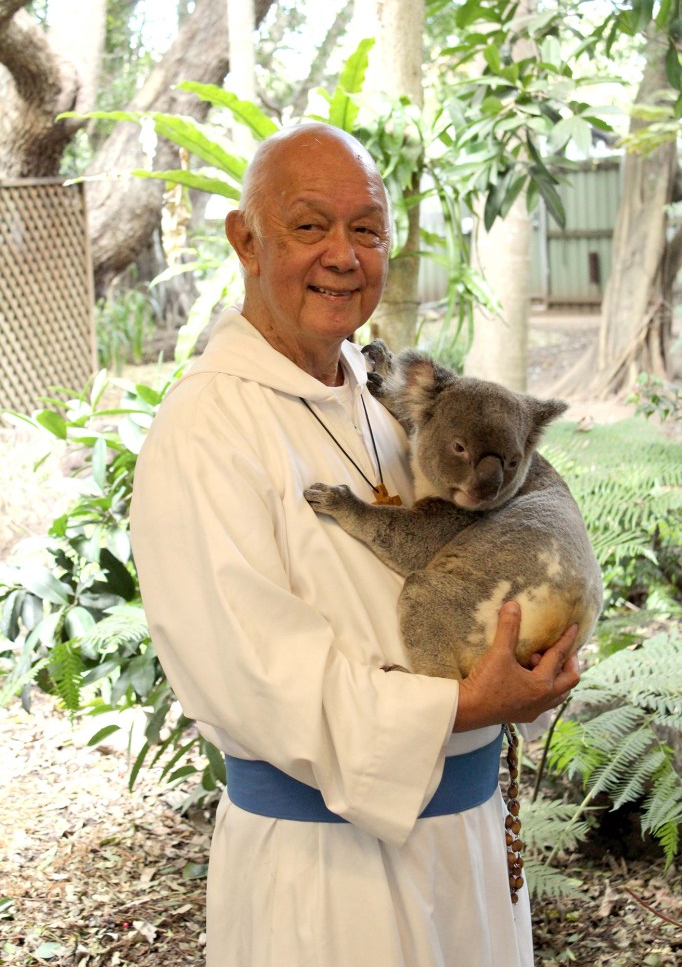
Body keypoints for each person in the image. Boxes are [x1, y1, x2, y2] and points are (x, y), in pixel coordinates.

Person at [130, 123, 580, 967]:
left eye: (367, 230)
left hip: (470, 845)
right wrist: (466, 706)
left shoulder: (382, 407)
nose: (343, 254)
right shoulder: (206, 427)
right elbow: (257, 674)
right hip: (328, 880)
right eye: (310, 225)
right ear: (246, 239)